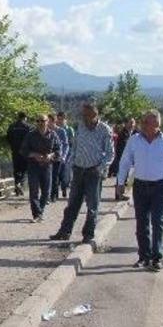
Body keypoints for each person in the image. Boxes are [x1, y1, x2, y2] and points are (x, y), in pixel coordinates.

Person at [116, 110, 163, 271]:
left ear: (157, 124)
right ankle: (144, 257)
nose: (145, 125)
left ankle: (156, 257)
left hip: (160, 186)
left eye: (149, 123)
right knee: (142, 223)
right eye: (145, 122)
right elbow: (125, 161)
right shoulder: (134, 140)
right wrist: (120, 182)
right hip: (140, 186)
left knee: (158, 222)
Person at [49, 103, 114, 244]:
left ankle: (88, 234)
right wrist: (71, 163)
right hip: (78, 170)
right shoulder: (81, 127)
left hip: (93, 171)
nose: (84, 118)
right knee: (72, 204)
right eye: (83, 115)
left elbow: (110, 153)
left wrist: (100, 167)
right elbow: (75, 146)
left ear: (95, 115)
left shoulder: (104, 130)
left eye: (87, 115)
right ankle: (65, 231)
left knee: (92, 206)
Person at [20, 115, 59, 222]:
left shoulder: (53, 135)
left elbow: (58, 150)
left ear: (47, 122)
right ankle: (37, 214)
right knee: (34, 192)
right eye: (38, 121)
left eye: (42, 121)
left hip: (47, 166)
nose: (40, 123)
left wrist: (50, 156)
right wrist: (34, 155)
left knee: (46, 192)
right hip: (33, 166)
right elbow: (23, 150)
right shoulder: (30, 135)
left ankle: (40, 211)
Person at [6, 112, 31, 196]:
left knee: (16, 169)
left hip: (15, 151)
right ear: (25, 117)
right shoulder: (27, 127)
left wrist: (12, 146)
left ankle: (17, 185)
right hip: (24, 152)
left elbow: (8, 137)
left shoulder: (12, 126)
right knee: (24, 170)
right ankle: (20, 184)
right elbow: (30, 139)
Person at [49, 113, 69, 202]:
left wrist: (64, 156)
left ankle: (54, 195)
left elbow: (66, 145)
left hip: (58, 157)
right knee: (48, 176)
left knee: (55, 176)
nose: (47, 123)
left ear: (53, 121)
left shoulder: (61, 131)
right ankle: (50, 194)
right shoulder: (46, 131)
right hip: (48, 158)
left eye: (49, 121)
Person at [55, 111, 75, 198]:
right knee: (56, 173)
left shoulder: (69, 129)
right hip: (57, 154)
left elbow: (72, 142)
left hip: (68, 154)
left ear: (65, 120)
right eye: (58, 119)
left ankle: (64, 187)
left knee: (66, 173)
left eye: (62, 119)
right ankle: (55, 192)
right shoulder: (54, 129)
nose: (60, 121)